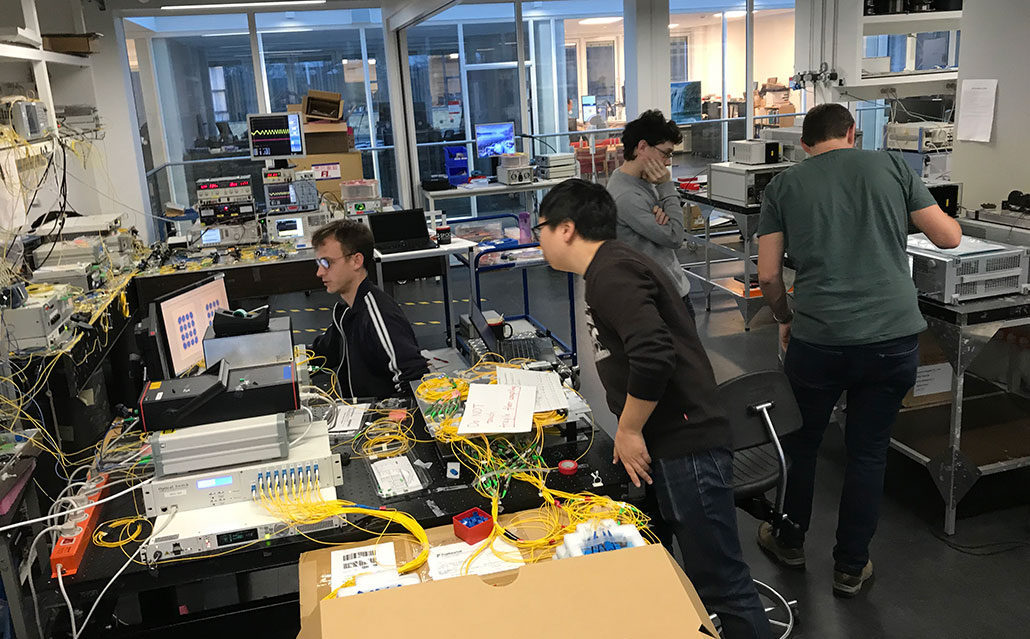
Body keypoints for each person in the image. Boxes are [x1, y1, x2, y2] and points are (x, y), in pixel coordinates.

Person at [534, 179, 772, 639]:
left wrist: (628, 430)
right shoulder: (610, 267)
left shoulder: (612, 272)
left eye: (541, 228)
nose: (538, 238)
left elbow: (653, 353)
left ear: (566, 229)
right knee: (666, 571)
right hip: (671, 444)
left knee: (723, 587)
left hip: (688, 446)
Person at [755, 103, 962, 597]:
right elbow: (948, 237)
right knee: (868, 453)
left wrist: (785, 319)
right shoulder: (890, 166)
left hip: (820, 337)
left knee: (802, 443)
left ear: (804, 145)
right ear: (853, 133)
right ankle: (851, 566)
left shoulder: (783, 186)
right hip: (891, 338)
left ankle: (789, 540)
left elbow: (766, 276)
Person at [310, 219, 428, 398]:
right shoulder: (347, 311)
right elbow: (324, 353)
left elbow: (413, 380)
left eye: (327, 263)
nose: (319, 272)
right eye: (319, 263)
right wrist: (289, 365)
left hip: (383, 420)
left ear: (356, 260)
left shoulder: (378, 315)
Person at [607, 109, 693, 318]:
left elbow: (670, 225)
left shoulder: (641, 180)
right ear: (642, 147)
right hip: (661, 300)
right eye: (666, 153)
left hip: (670, 290)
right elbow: (674, 236)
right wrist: (666, 187)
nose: (667, 162)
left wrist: (665, 211)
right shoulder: (627, 195)